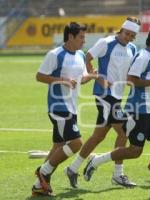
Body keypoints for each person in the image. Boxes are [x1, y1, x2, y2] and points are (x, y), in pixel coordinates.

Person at [82, 25, 150, 199]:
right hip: (138, 110)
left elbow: (146, 81)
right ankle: (96, 161)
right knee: (134, 151)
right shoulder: (143, 56)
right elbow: (131, 80)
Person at [65, 17, 140, 188]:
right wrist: (96, 76)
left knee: (98, 136)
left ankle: (72, 168)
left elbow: (132, 72)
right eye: (127, 33)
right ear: (121, 30)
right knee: (123, 133)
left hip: (117, 96)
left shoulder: (133, 48)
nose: (129, 37)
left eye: (132, 35)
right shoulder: (106, 42)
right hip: (104, 95)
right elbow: (86, 57)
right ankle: (118, 175)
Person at [31, 22, 99, 196]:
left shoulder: (80, 55)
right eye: (81, 37)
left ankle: (39, 186)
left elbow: (80, 79)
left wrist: (90, 77)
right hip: (58, 105)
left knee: (58, 146)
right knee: (76, 143)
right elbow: (39, 76)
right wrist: (62, 81)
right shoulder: (55, 54)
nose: (84, 41)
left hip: (71, 107)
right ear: (70, 37)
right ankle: (43, 171)